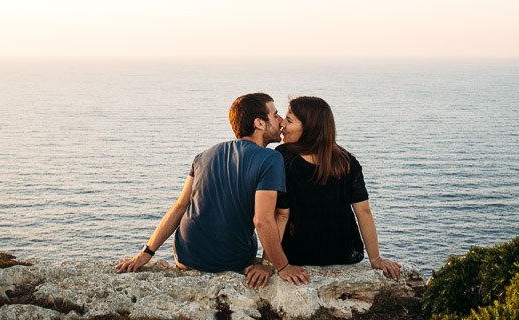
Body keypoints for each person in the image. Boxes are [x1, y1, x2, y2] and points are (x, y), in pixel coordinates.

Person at [115, 92, 309, 289]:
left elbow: (180, 205)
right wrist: (280, 266)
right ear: (259, 123)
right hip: (231, 261)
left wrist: (146, 252)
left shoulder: (203, 155)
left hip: (186, 256)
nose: (281, 120)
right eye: (275, 115)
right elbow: (263, 220)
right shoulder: (270, 159)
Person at [275, 96, 401, 280]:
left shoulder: (283, 158)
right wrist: (375, 258)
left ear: (309, 127)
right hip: (343, 254)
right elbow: (363, 211)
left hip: (298, 255)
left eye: (289, 120)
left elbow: (281, 215)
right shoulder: (346, 161)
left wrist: (270, 263)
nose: (282, 125)